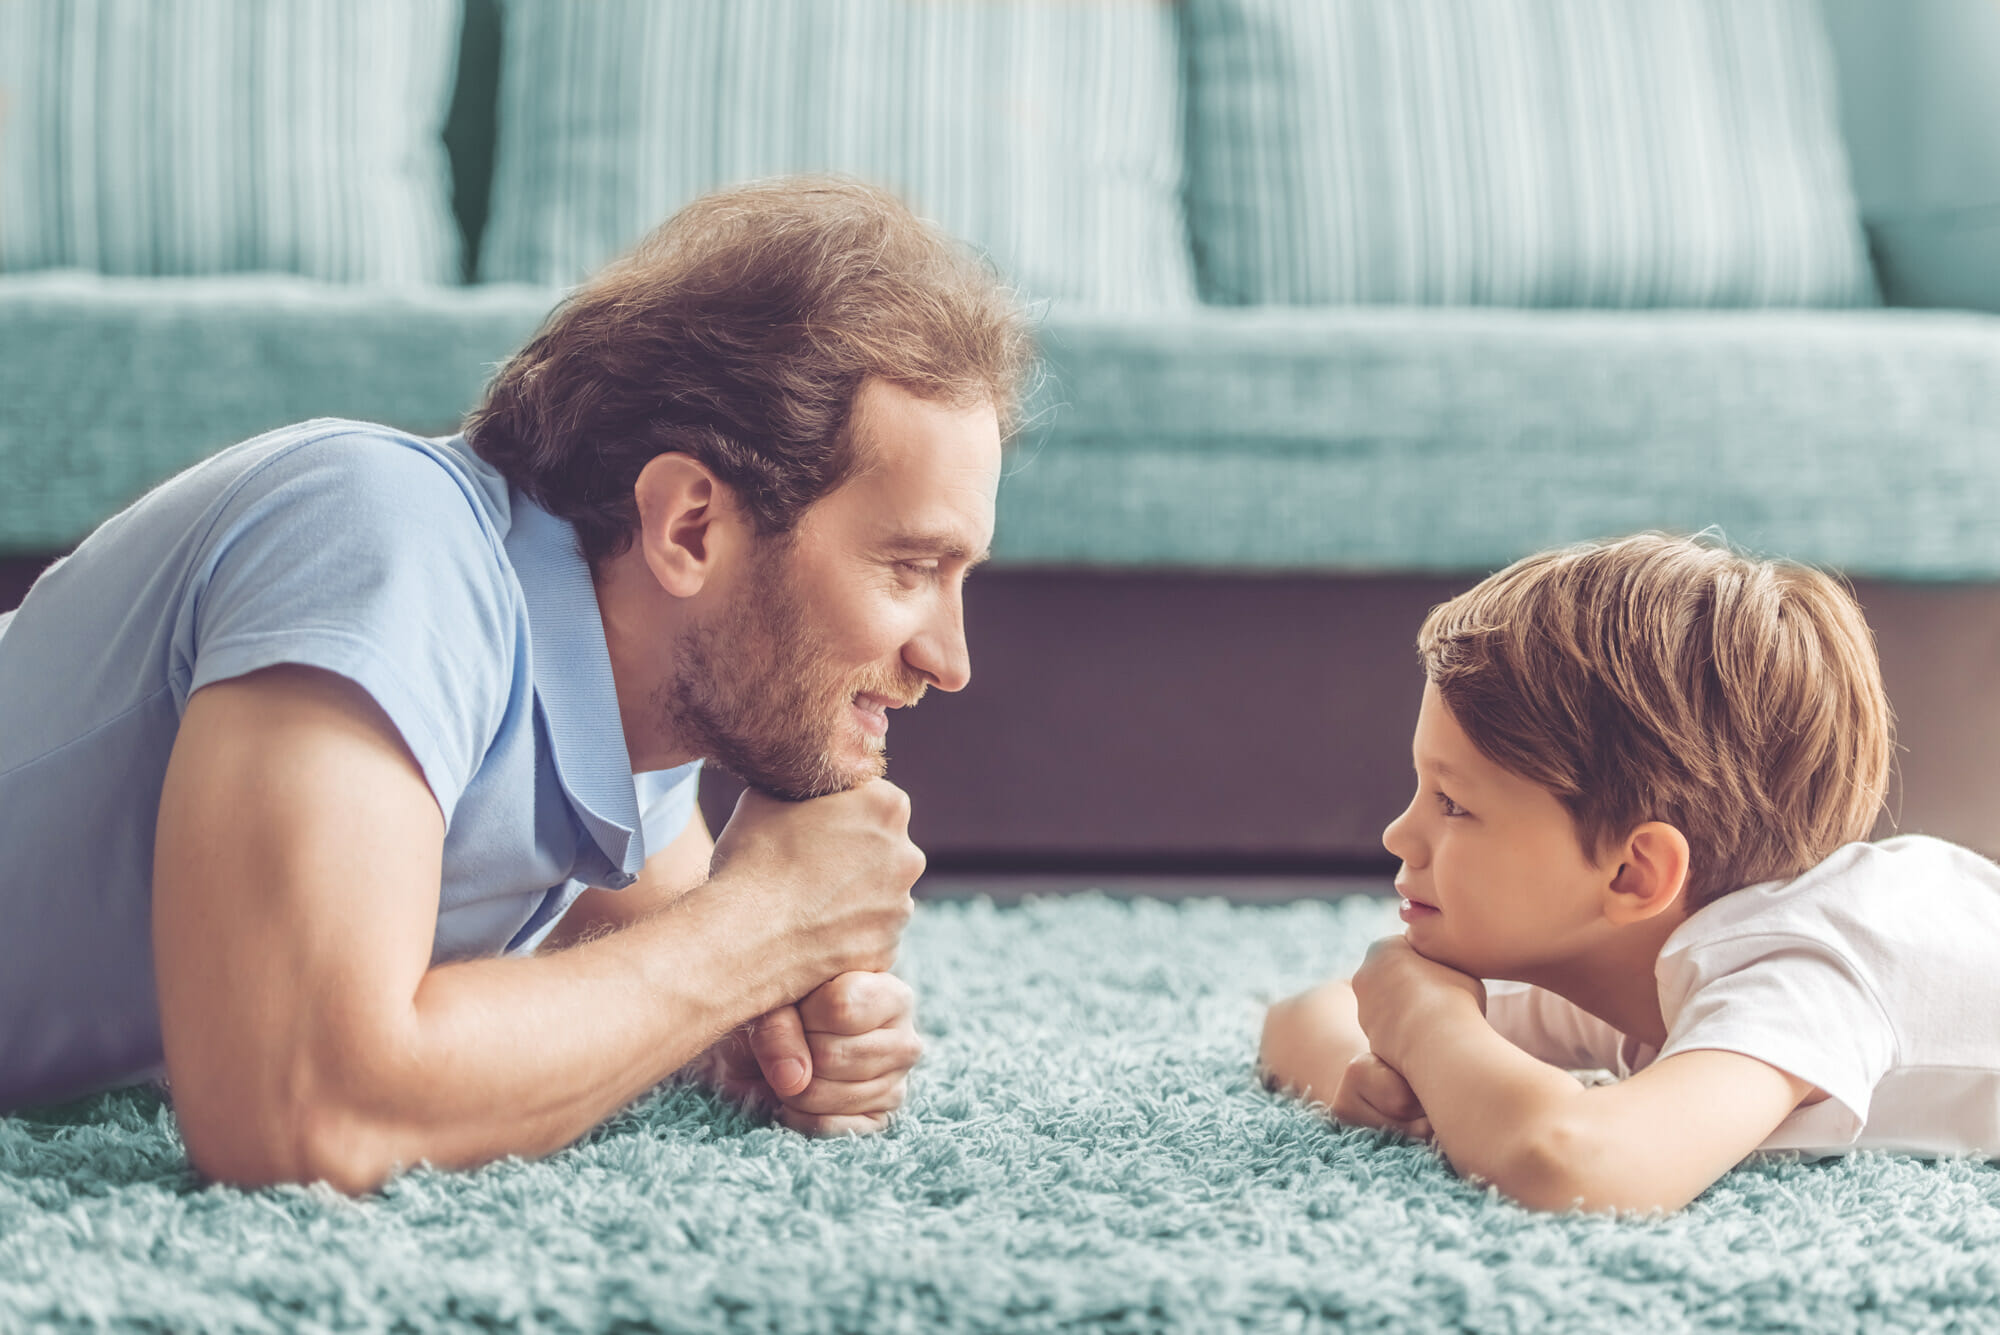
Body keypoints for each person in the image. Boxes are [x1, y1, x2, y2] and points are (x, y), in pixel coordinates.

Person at [0, 177, 1033, 1192]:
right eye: (909, 569)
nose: (949, 659)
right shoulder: (380, 540)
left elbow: (671, 969)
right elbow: (297, 1108)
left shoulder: (638, 723)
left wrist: (754, 1031)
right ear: (689, 528)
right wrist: (766, 925)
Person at [1258, 533, 2000, 1214]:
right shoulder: (1626, 955)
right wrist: (1370, 1072)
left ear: (1633, 875)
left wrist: (1426, 1026)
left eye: (1452, 802)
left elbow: (1578, 1162)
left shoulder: (1797, 974)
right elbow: (1299, 1017)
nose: (1399, 833)